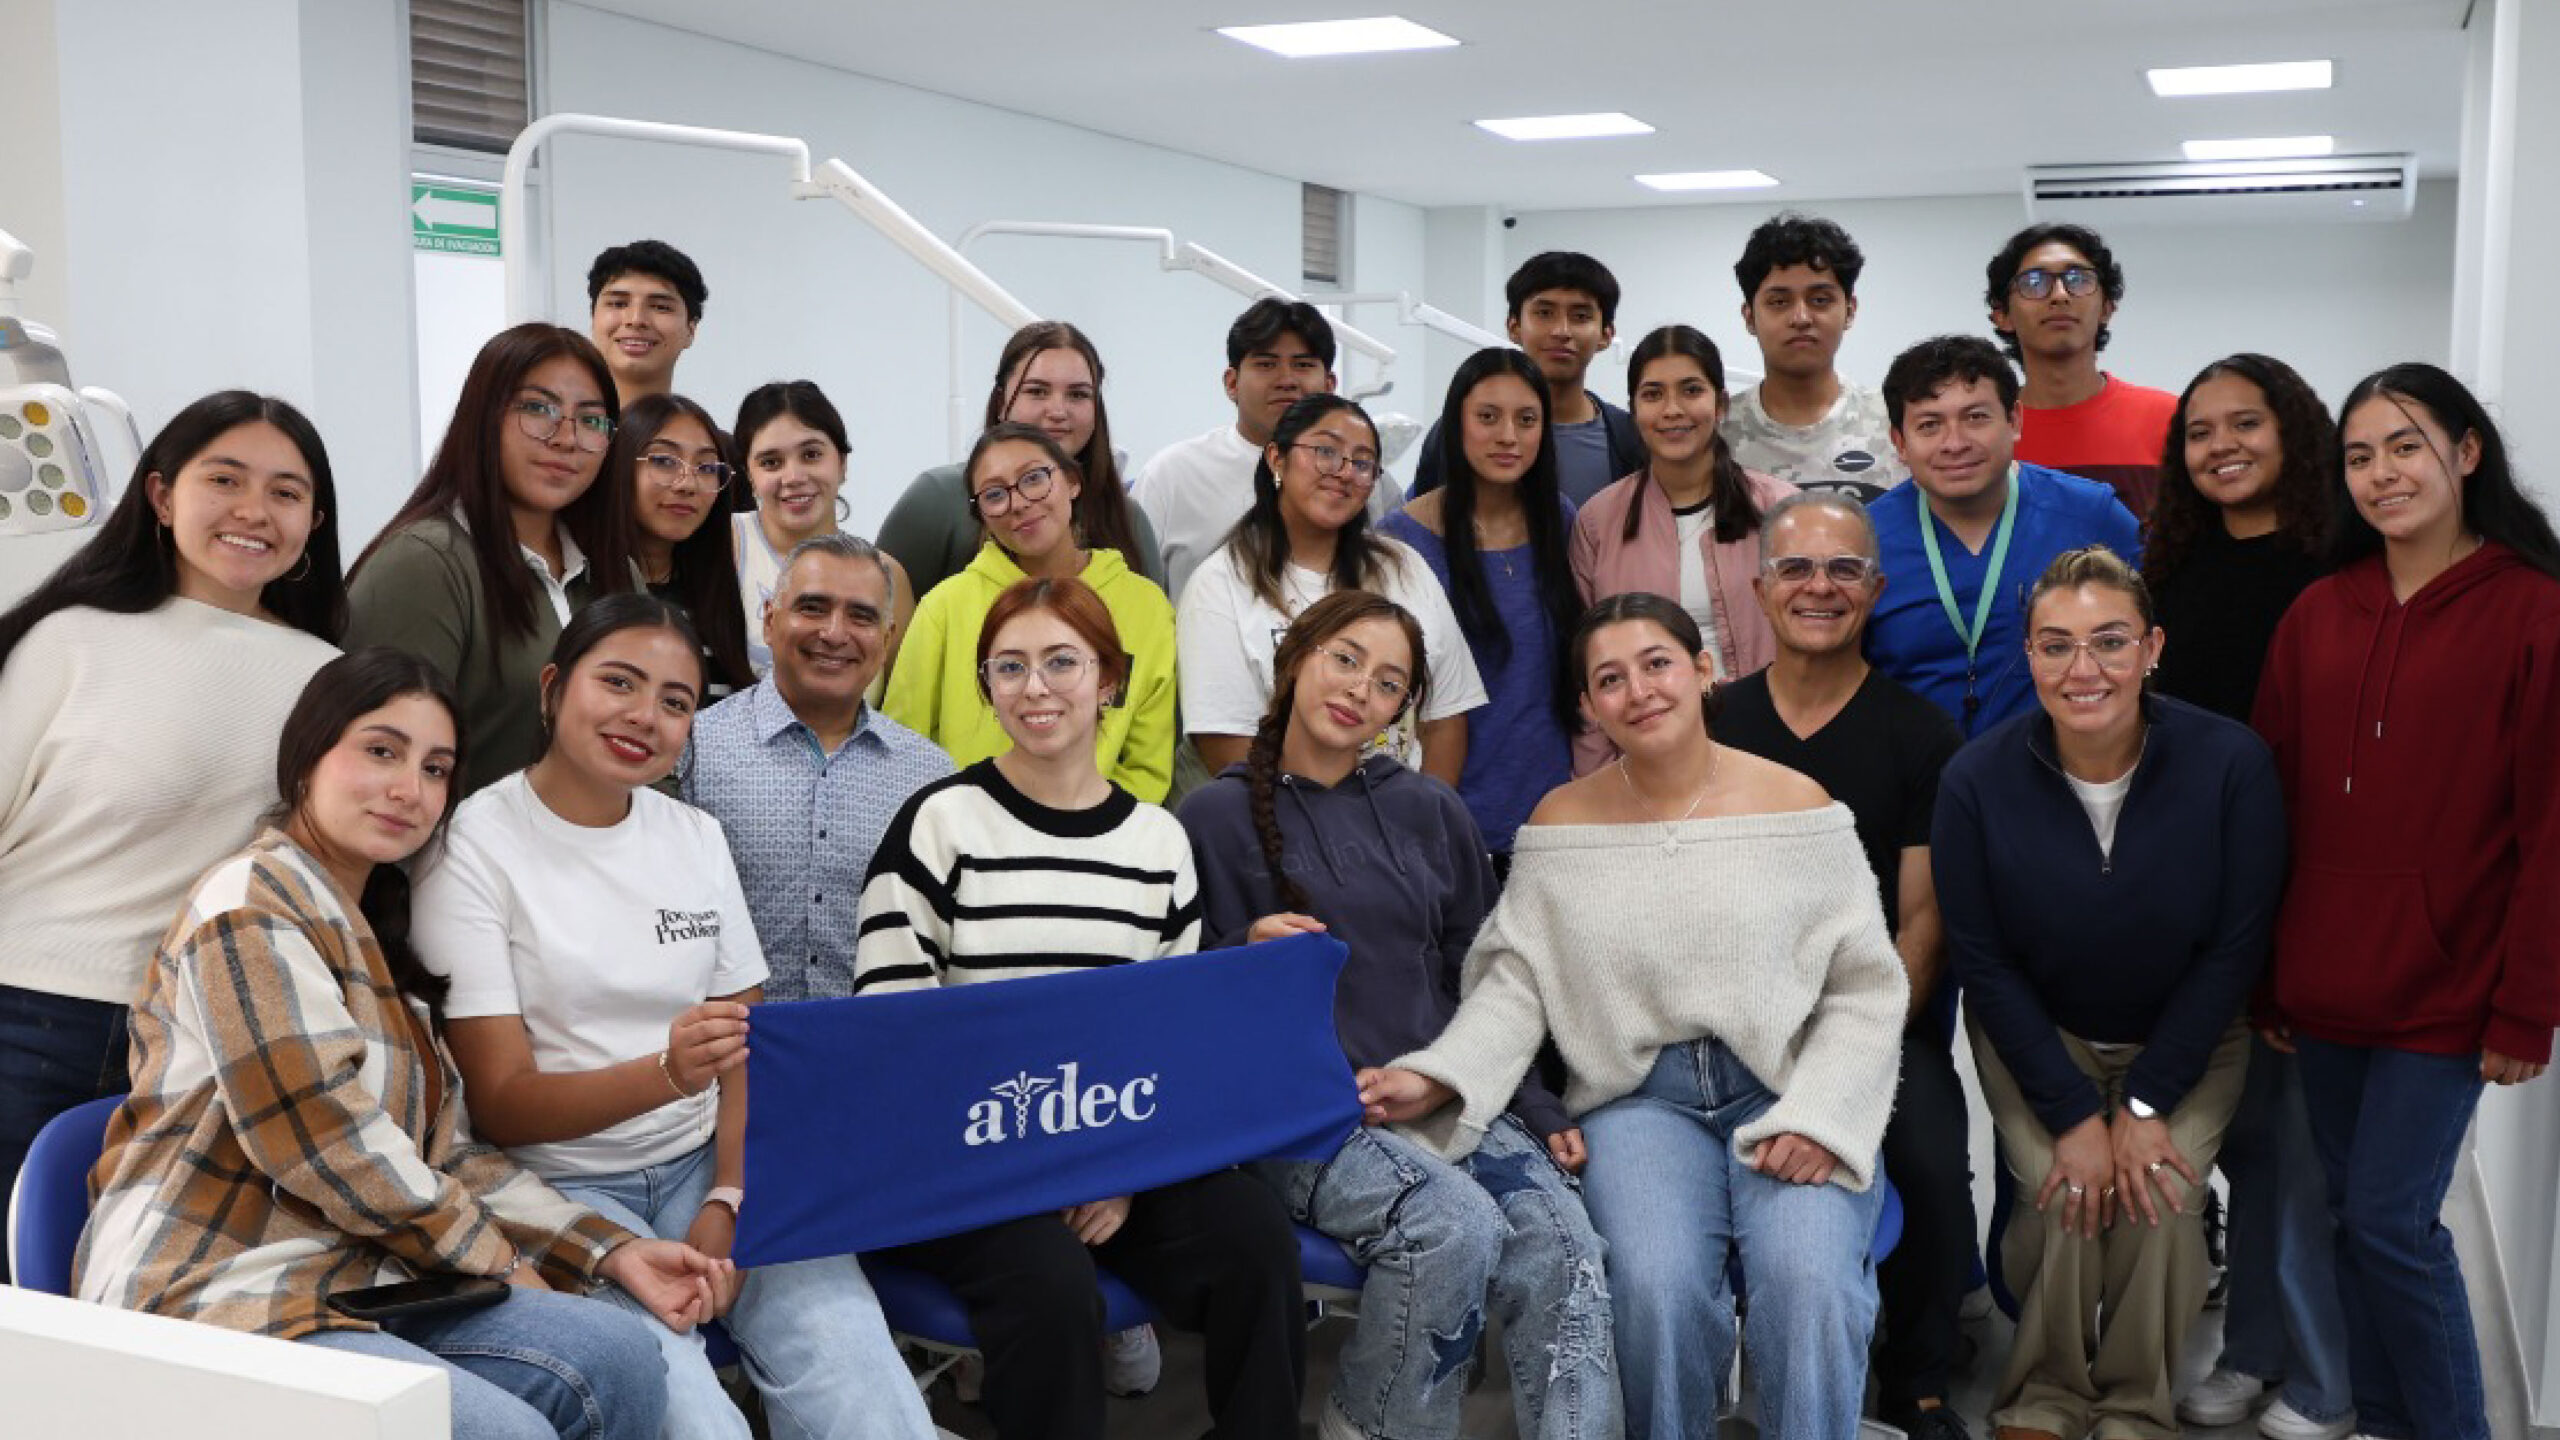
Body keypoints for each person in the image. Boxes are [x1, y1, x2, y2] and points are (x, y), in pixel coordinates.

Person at [76, 648, 717, 1440]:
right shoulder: (248, 906)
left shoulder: (375, 927)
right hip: (225, 1289)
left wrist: (608, 1250)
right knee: (509, 1432)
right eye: (381, 751)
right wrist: (505, 1263)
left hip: (365, 1277)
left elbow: (448, 1156)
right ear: (308, 754)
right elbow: (332, 1146)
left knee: (618, 1353)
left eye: (435, 769)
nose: (409, 789)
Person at [1362, 592, 1906, 1440]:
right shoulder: (1560, 820)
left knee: (1811, 1288)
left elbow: (1864, 986)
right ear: (1589, 705)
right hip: (1639, 1102)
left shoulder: (1797, 804)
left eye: (1658, 664)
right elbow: (1514, 986)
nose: (1639, 691)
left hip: (1786, 1089)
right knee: (1653, 1291)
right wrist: (1439, 1076)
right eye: (1610, 679)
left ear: (1703, 669)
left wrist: (1824, 1115)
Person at [420, 595, 933, 1440]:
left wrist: (729, 1193)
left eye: (675, 701)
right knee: (695, 1418)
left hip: (706, 1160)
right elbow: (503, 1104)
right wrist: (665, 1073)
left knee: (860, 1374)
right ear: (553, 688)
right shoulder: (474, 845)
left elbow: (746, 1046)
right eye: (617, 683)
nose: (643, 717)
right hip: (561, 1185)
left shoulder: (693, 835)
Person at [854, 576, 1308, 1440]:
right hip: (967, 1161)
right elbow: (891, 1033)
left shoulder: (1157, 842)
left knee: (1252, 1235)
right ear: (987, 686)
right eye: (1010, 667)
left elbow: (1165, 1041)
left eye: (1062, 662)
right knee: (1051, 1281)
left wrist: (1121, 1173)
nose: (1035, 688)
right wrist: (1041, 1170)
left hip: (1110, 1150)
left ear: (1110, 680)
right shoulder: (939, 823)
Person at [1180, 591, 1619, 1440]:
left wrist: (1531, 1103)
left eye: (1389, 683)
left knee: (1564, 1244)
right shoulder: (1210, 817)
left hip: (1443, 1089)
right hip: (1304, 1118)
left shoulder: (1431, 809)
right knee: (1451, 1226)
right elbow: (1174, 995)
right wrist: (1242, 946)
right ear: (1295, 658)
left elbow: (1488, 978)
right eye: (1345, 660)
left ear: (1402, 711)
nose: (1360, 690)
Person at [2251, 363, 2560, 1440]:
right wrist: (2269, 977)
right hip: (2323, 980)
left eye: (2405, 446)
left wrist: (2529, 1005)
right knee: (2351, 1214)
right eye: (2358, 455)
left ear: (2465, 453)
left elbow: (2551, 828)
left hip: (2452, 984)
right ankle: (2383, 1419)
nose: (2381, 473)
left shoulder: (2535, 611)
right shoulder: (2315, 613)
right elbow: (2275, 806)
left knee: (2392, 1220)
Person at [1935, 546, 2286, 1440]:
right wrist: (2071, 1113)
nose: (2082, 668)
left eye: (2109, 641)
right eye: (2056, 645)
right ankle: (2046, 1397)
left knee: (2159, 1200)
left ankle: (2134, 1405)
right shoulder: (1976, 778)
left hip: (2191, 1035)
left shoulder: (2231, 763)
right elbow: (1982, 959)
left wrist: (2144, 1102)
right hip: (2037, 1029)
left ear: (2152, 648)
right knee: (2066, 1193)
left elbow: (2235, 949)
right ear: (2028, 655)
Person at [0, 391, 343, 1280]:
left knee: (136, 1308)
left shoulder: (331, 680)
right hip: (26, 1014)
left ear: (313, 521)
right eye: (224, 480)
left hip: (201, 1038)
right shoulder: (70, 639)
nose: (254, 511)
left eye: (286, 492)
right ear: (160, 495)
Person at [1711, 492, 1973, 1440]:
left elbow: (1922, 923)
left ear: (1876, 589)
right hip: (1723, 1030)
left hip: (1874, 1024)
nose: (1818, 587)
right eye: (1796, 568)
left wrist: (1851, 1048)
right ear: (1759, 590)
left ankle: (1918, 1378)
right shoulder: (1708, 724)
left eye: (1843, 570)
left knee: (1933, 1160)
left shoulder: (1922, 735)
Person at [2144, 355, 2349, 1438]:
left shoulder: (2339, 562)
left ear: (2294, 432)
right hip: (2197, 887)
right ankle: (2258, 1346)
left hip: (2311, 883)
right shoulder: (2170, 567)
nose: (2220, 446)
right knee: (2239, 1140)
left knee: (2299, 1150)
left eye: (2245, 424)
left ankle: (2313, 1370)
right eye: (2199, 431)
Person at [348, 322, 638, 795]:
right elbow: (379, 766)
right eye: (538, 409)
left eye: (591, 420)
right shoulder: (425, 563)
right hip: (457, 841)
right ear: (484, 416)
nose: (566, 438)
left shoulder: (614, 570)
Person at [682, 533, 954, 1005]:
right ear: (770, 620)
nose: (834, 633)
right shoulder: (694, 748)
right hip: (724, 1044)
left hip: (873, 1043)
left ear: (887, 638)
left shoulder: (930, 776)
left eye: (861, 616)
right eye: (812, 608)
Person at [1177, 394, 1486, 788]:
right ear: (1276, 458)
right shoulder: (1221, 582)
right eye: (1326, 452)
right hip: (1276, 815)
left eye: (1362, 463)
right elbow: (1226, 745)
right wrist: (1321, 823)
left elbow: (1445, 719)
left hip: (1396, 814)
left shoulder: (1404, 568)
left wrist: (1423, 816)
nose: (1344, 472)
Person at [1864, 334, 2142, 739]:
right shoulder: (1863, 539)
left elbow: (2150, 642)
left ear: (2014, 420)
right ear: (1900, 443)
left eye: (1976, 417)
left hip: (2065, 764)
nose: (1955, 443)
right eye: (1929, 425)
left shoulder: (2093, 516)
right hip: (1913, 770)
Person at [886, 423, 1176, 801]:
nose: (1019, 502)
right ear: (981, 514)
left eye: (1034, 478)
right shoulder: (945, 606)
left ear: (1072, 482)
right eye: (994, 494)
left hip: (1097, 830)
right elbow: (902, 747)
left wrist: (1090, 823)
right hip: (967, 826)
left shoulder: (1145, 606)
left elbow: (1147, 766)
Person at [1379, 349, 1581, 861]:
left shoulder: (1560, 520)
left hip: (1557, 813)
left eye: (1526, 420)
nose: (1508, 436)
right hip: (1448, 815)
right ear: (1456, 424)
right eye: (1487, 417)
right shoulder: (1402, 541)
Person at [1569, 325, 1796, 768]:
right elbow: (1586, 663)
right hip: (1643, 756)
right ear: (1634, 410)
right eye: (1653, 394)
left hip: (1769, 748)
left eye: (1691, 390)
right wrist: (1596, 780)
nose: (1672, 410)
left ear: (1721, 403)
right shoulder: (1598, 522)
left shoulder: (1779, 509)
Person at [1131, 298, 1395, 603]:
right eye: (1266, 364)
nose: (1286, 380)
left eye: (1303, 365)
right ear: (1232, 383)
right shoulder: (1172, 475)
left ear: (1329, 384)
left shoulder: (1364, 480)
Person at [877, 320, 1165, 597]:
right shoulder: (937, 498)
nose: (1058, 411)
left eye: (1078, 394)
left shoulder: (1127, 519)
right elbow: (880, 615)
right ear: (1001, 402)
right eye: (1037, 391)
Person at [1409, 252, 1646, 504]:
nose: (1561, 331)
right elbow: (1423, 517)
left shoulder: (1631, 437)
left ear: (1606, 335)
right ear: (1514, 327)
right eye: (1544, 313)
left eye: (1580, 316)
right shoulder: (1458, 430)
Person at [1985, 223, 2178, 519]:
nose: (2060, 295)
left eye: (2078, 280)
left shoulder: (2171, 419)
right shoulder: (1986, 433)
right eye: (2034, 282)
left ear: (2106, 308)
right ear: (2003, 316)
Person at [731, 380, 917, 674]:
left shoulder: (886, 574)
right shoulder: (726, 544)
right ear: (749, 475)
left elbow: (902, 694)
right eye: (771, 462)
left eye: (811, 455)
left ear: (842, 463)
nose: (793, 477)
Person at [1721, 213, 1909, 502]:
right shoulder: (1717, 434)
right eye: (1779, 302)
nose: (1801, 318)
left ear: (1850, 311)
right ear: (1749, 317)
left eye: (1820, 300)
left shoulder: (1897, 421)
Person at [616, 392, 755, 702]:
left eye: (706, 468)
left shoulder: (724, 598)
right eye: (664, 461)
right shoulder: (577, 586)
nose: (687, 484)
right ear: (619, 467)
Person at [588, 239, 705, 409]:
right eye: (618, 304)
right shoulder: (558, 424)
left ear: (691, 330)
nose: (636, 320)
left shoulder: (700, 427)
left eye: (660, 307)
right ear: (593, 319)